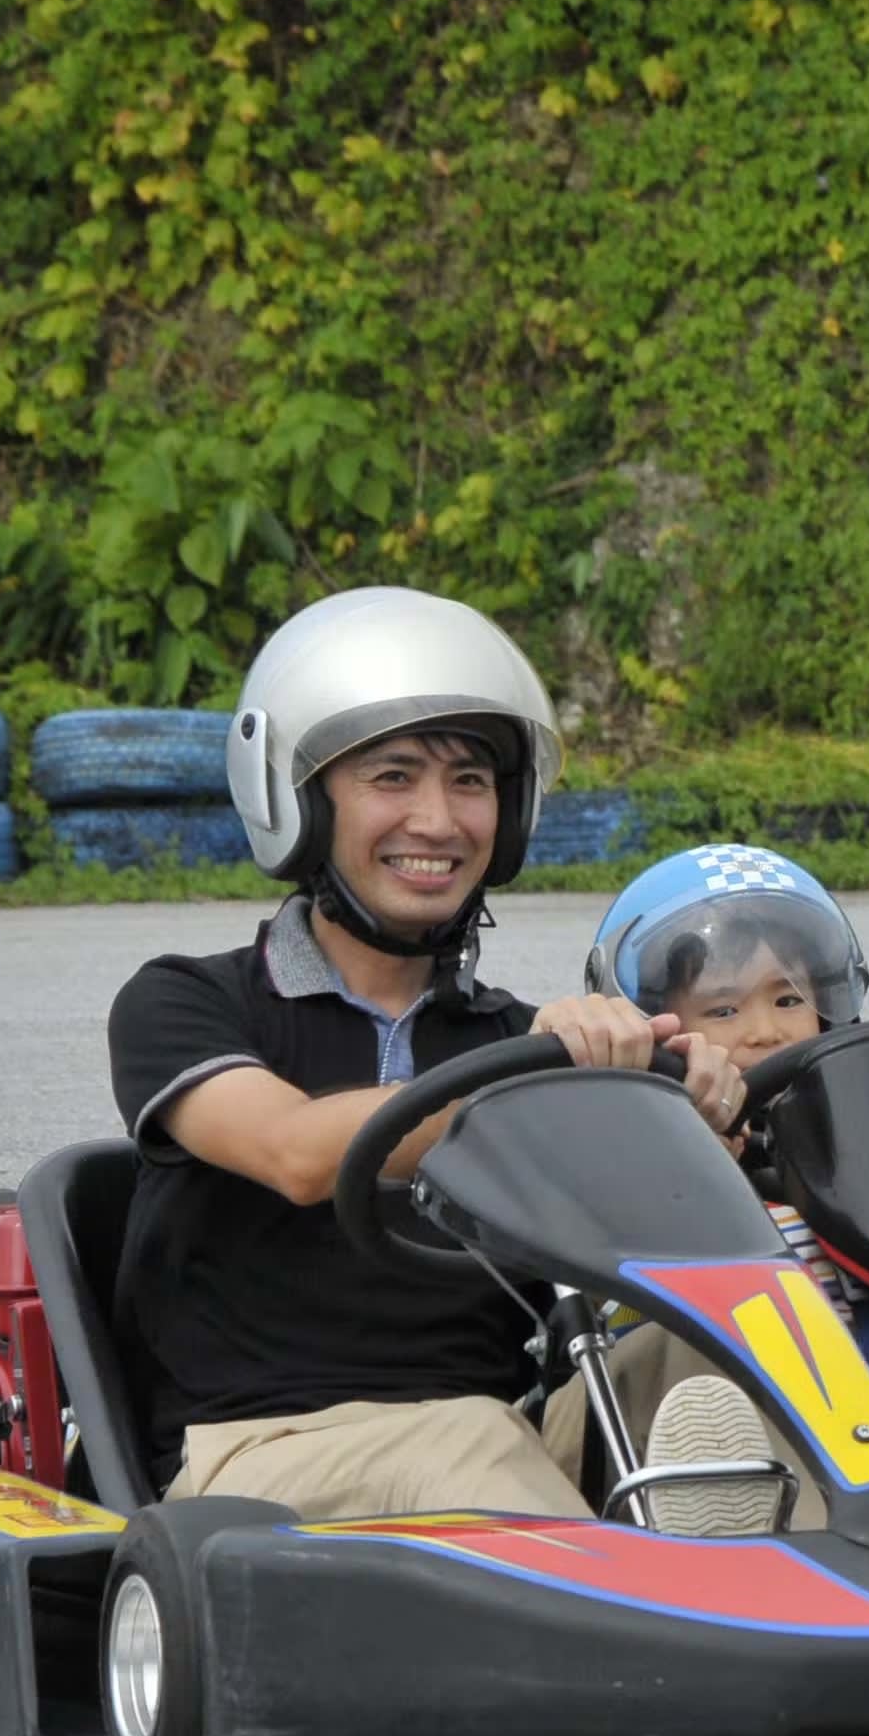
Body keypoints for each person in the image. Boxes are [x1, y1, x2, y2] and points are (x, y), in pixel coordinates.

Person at [103, 588, 750, 1523]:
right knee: (468, 1437)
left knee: (720, 1344)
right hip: (258, 1458)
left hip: (508, 1439)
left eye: (470, 781)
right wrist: (548, 1084)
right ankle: (656, 1602)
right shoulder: (186, 1001)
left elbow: (644, 1234)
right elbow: (296, 1152)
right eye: (394, 776)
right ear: (299, 801)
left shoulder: (515, 1037)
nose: (439, 822)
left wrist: (700, 1119)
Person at [531, 846, 869, 1524]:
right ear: (651, 1026)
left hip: (863, 1421)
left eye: (788, 998)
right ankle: (742, 1499)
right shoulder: (622, 1148)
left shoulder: (856, 1163)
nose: (766, 1030)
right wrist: (687, 1160)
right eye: (723, 1010)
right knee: (723, 1323)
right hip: (645, 1421)